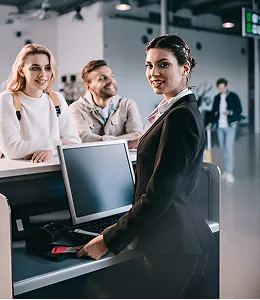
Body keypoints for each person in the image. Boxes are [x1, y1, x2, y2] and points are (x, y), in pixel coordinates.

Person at [76, 35, 217, 299]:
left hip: (173, 244)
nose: (153, 73)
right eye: (149, 65)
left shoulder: (181, 116)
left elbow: (160, 193)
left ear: (184, 68)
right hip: (175, 238)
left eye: (163, 64)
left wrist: (109, 239)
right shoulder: (174, 110)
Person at [0, 44, 81, 163]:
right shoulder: (7, 100)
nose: (43, 74)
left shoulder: (57, 99)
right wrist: (57, 143)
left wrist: (51, 151)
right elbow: (12, 150)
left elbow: (75, 143)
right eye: (35, 68)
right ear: (21, 71)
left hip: (58, 172)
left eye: (47, 68)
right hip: (22, 175)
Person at [69, 60, 143, 146]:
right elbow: (83, 138)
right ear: (88, 86)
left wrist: (105, 141)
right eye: (102, 78)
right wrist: (124, 142)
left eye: (112, 76)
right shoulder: (76, 108)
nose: (111, 81)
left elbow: (137, 136)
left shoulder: (127, 104)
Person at [207, 78, 242, 183]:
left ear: (226, 86)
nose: (221, 90)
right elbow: (213, 112)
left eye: (223, 87)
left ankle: (230, 172)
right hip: (220, 127)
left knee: (229, 148)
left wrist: (230, 112)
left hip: (230, 126)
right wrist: (210, 123)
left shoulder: (233, 96)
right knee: (222, 149)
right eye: (219, 88)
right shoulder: (217, 98)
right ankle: (226, 171)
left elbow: (239, 110)